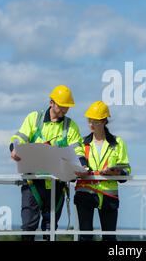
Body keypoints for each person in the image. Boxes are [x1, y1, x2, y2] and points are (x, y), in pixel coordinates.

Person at [9, 85, 84, 241]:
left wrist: (81, 165)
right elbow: (19, 139)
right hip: (33, 183)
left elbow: (78, 151)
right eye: (62, 106)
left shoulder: (71, 126)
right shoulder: (34, 118)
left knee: (50, 229)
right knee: (28, 226)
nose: (64, 110)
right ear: (51, 103)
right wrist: (14, 149)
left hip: (57, 184)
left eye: (67, 107)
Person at [74, 101, 131, 241]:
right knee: (85, 237)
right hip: (85, 192)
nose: (91, 124)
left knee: (110, 238)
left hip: (108, 195)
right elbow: (74, 166)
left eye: (95, 121)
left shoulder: (118, 143)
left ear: (104, 121)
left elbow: (125, 174)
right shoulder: (82, 143)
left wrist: (116, 173)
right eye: (89, 121)